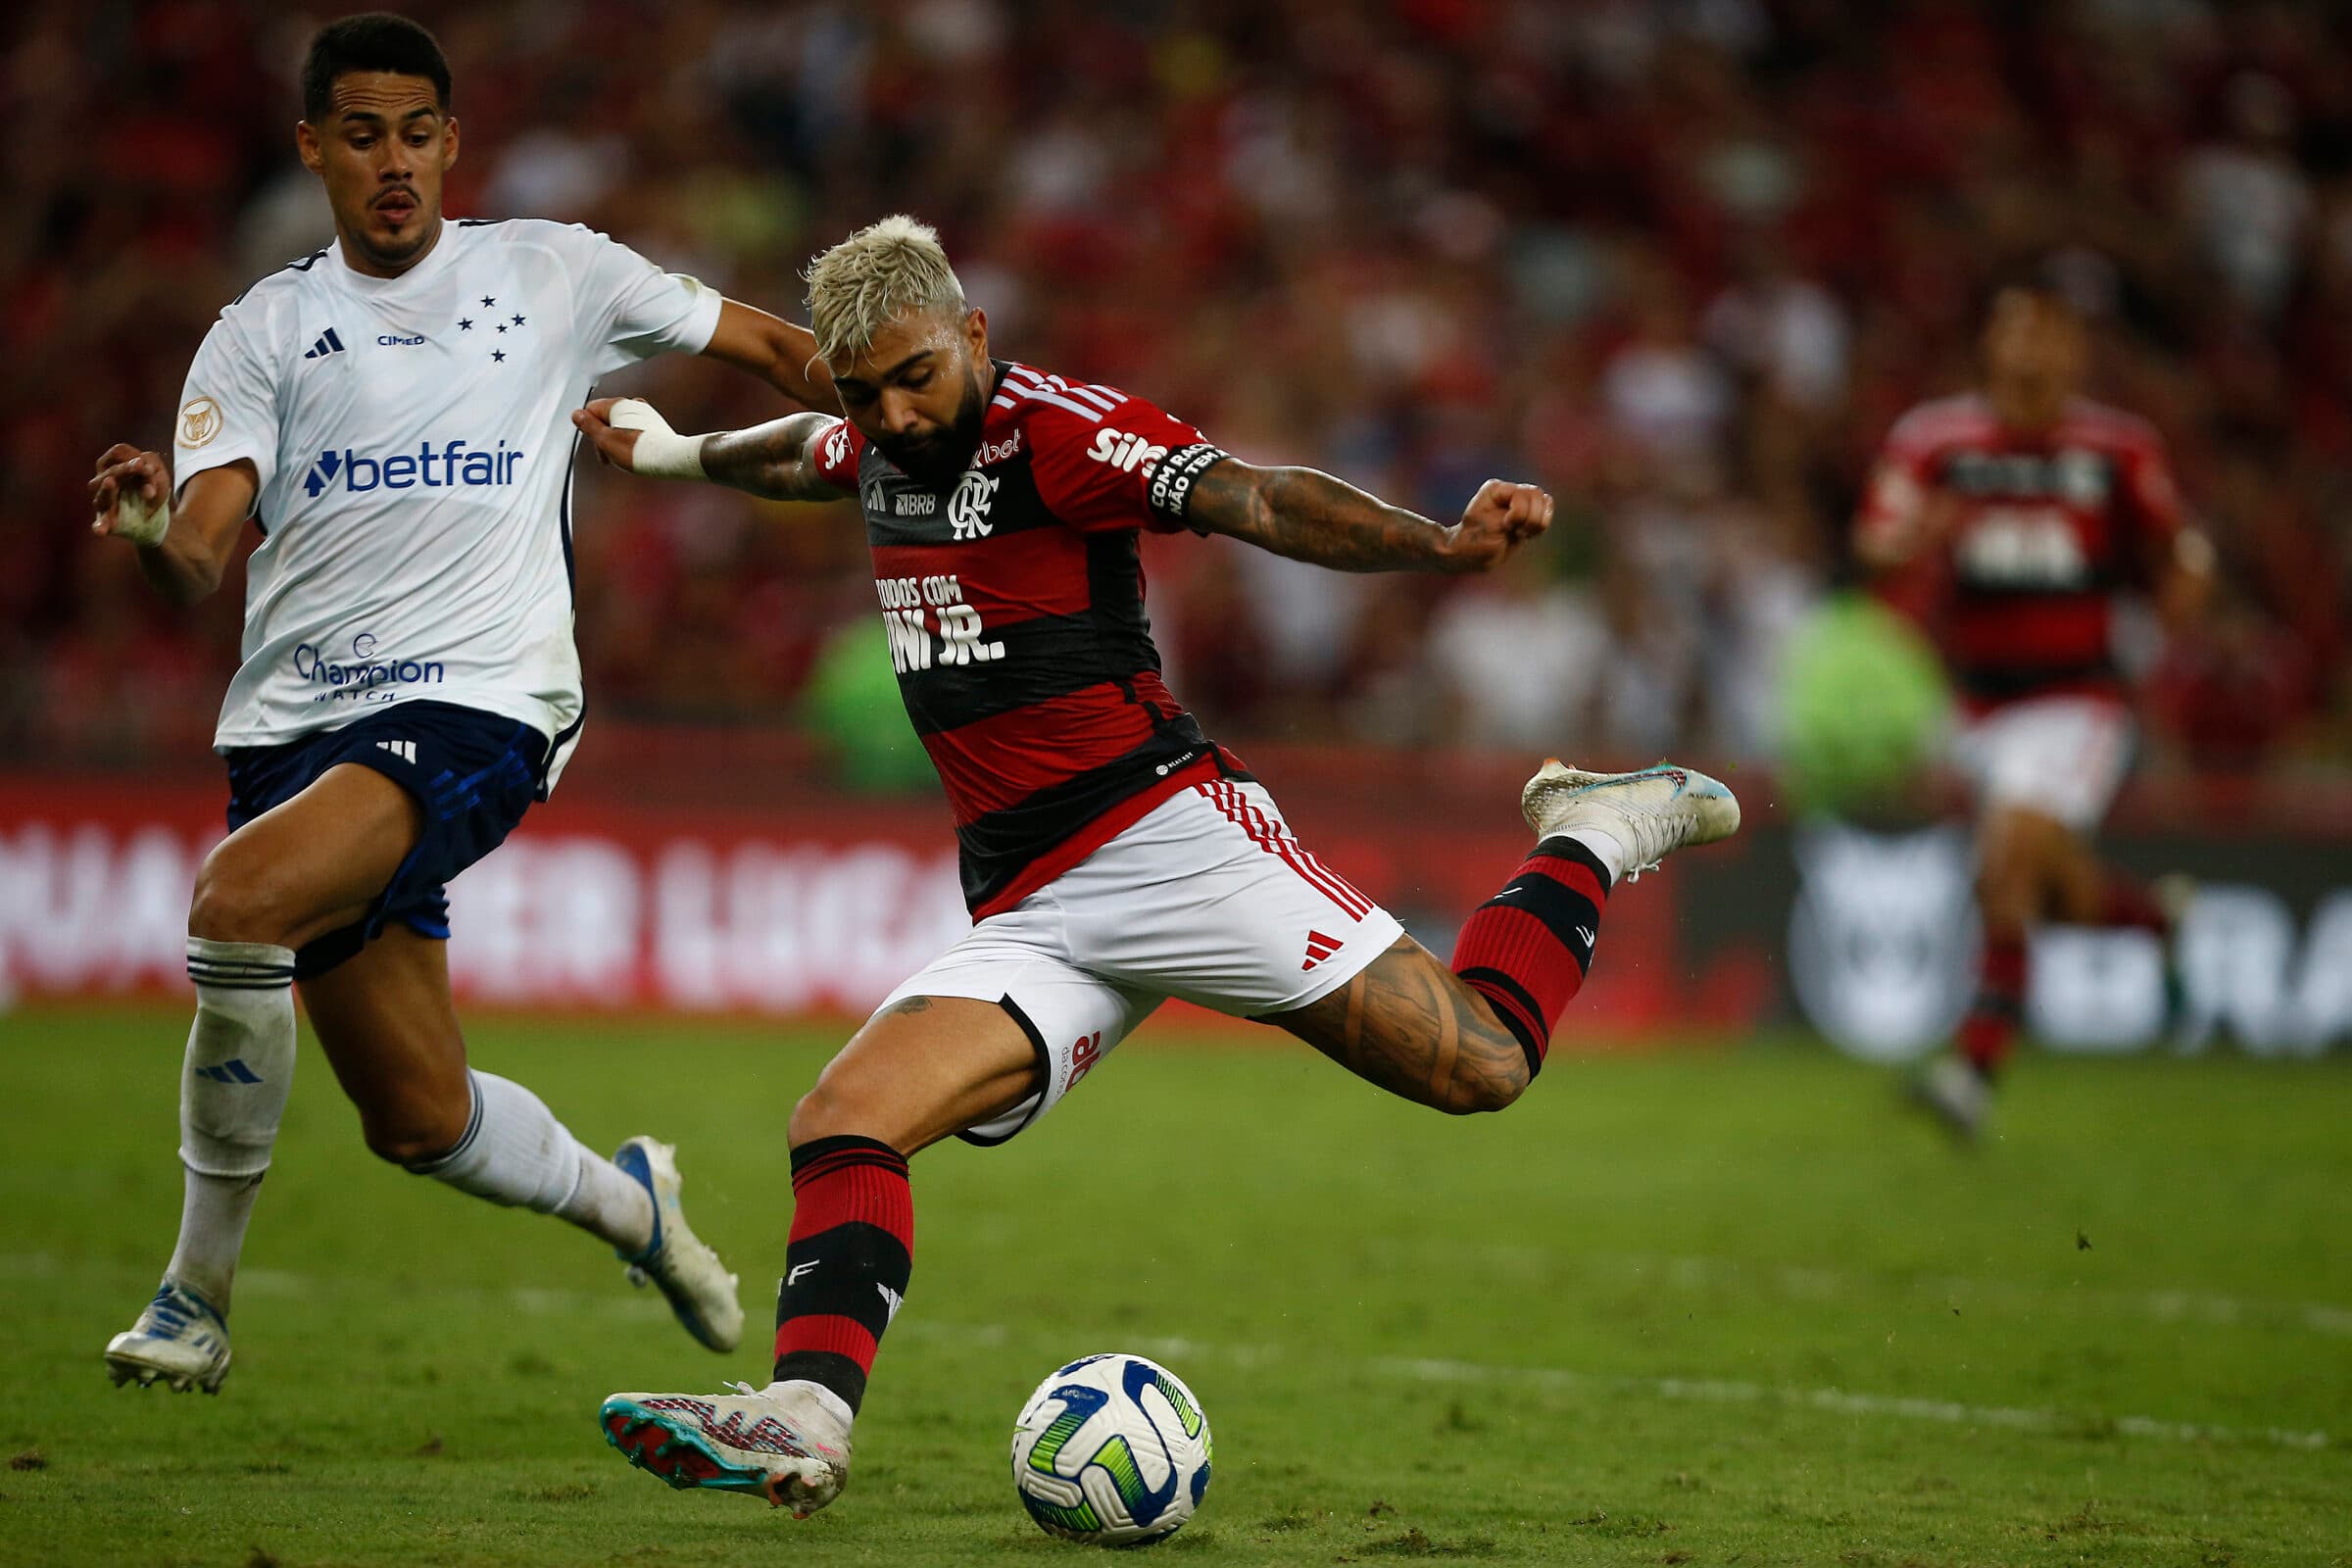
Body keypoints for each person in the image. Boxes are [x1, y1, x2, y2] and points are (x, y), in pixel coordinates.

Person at [570, 215, 1741, 1517]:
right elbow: (800, 452)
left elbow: (1260, 496)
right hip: (1029, 902)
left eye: (915, 378)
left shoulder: (1060, 434)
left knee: (1485, 1065)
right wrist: (674, 452)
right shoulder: (874, 441)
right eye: (866, 392)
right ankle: (803, 1417)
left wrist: (1432, 544)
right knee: (844, 1121)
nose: (894, 415)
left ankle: (1589, 831)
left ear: (972, 335)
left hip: (1169, 843)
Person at [87, 13, 846, 1394]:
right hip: (297, 734)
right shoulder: (262, 331)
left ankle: (195, 1299)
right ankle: (632, 1205)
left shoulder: (552, 271)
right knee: (418, 1119)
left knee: (237, 903)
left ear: (452, 143)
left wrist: (904, 403)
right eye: (362, 136)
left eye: (417, 135)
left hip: (486, 703)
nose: (394, 163)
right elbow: (198, 554)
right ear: (313, 148)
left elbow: (763, 343)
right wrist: (149, 527)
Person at [1855, 283, 2213, 1139]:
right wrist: (1914, 539)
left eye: (2046, 334)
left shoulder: (2117, 448)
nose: (2028, 350)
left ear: (2074, 353)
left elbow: (2181, 548)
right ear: (1990, 345)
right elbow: (1874, 542)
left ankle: (1971, 1073)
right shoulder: (1935, 440)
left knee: (2006, 860)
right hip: (1972, 704)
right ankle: (2155, 919)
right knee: (2040, 890)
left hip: (2074, 700)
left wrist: (2178, 600)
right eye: (2013, 331)